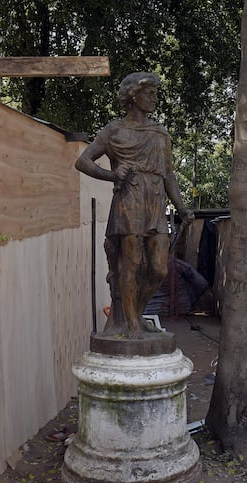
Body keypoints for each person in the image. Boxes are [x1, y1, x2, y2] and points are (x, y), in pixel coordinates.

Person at [75, 72, 194, 338]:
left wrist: (182, 206)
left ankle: (135, 315)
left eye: (155, 93)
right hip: (129, 201)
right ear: (133, 96)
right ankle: (129, 323)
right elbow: (83, 161)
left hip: (155, 202)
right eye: (149, 93)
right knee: (131, 263)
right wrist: (111, 175)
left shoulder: (159, 133)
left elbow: (169, 174)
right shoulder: (114, 131)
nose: (154, 98)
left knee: (159, 268)